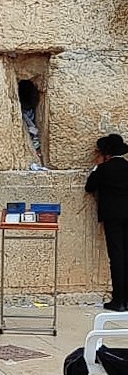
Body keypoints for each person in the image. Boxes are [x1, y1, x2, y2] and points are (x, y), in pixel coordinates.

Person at [85, 132, 128, 310]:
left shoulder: (103, 169)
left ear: (106, 153)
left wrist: (97, 167)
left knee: (117, 257)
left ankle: (118, 300)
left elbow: (89, 187)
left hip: (112, 218)